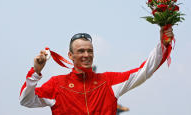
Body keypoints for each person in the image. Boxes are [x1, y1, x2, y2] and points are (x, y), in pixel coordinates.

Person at [19, 27, 174, 115]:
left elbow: (145, 70)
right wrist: (35, 71)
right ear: (70, 56)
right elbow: (25, 100)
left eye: (90, 51)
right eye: (81, 51)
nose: (86, 55)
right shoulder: (57, 85)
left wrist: (164, 43)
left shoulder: (109, 81)